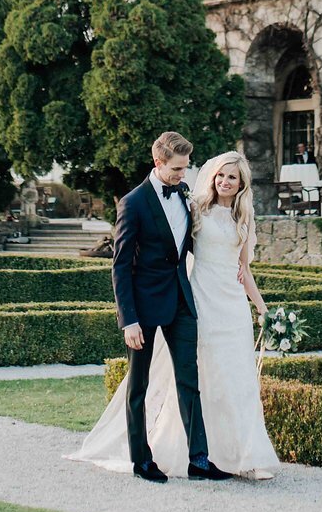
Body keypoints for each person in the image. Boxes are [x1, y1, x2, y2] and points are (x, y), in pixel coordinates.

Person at [70, 148, 279, 482]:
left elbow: (235, 264)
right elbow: (121, 266)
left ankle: (201, 459)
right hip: (159, 304)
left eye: (231, 177)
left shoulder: (189, 201)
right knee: (141, 383)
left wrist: (261, 306)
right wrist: (129, 319)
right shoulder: (137, 202)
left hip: (193, 304)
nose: (186, 175)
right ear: (159, 163)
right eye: (179, 168)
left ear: (241, 184)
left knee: (194, 381)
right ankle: (142, 459)